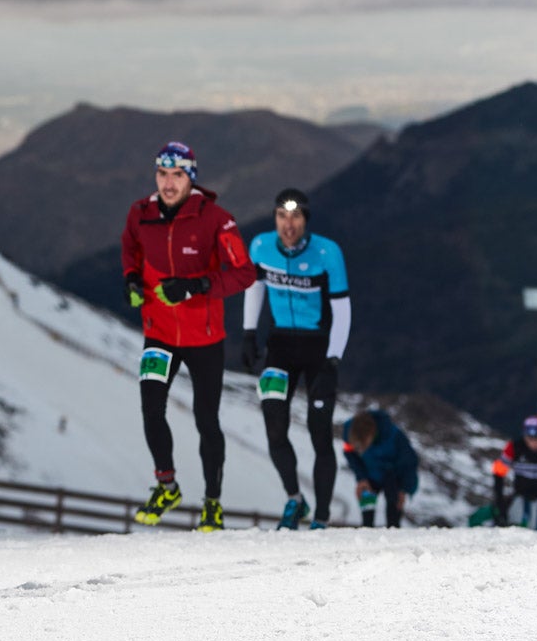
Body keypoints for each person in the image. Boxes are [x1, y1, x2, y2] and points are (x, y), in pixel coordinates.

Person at [121, 141, 256, 531]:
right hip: (159, 333)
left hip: (204, 338)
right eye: (162, 174)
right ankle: (167, 485)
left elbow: (243, 273)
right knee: (151, 408)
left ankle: (212, 503)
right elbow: (130, 248)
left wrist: (195, 285)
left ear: (190, 177)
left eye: (177, 175)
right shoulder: (140, 214)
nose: (168, 182)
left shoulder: (216, 219)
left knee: (206, 420)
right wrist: (131, 278)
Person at [241, 189, 351, 530]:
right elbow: (254, 287)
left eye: (296, 217)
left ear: (306, 219)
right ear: (274, 218)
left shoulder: (327, 252)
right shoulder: (260, 247)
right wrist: (248, 333)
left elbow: (343, 310)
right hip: (280, 347)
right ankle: (295, 500)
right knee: (274, 426)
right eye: (281, 216)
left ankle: (321, 517)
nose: (288, 225)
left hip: (318, 349)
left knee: (320, 433)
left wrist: (333, 360)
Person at [341, 409, 419, 527]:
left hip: (393, 475)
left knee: (393, 506)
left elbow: (410, 464)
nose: (361, 450)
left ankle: (394, 531)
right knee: (366, 497)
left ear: (372, 434)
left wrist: (404, 489)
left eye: (364, 445)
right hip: (369, 473)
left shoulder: (395, 436)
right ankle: (367, 530)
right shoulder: (349, 432)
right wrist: (361, 478)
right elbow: (350, 454)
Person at [491, 415, 537, 528]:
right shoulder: (514, 448)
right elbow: (498, 472)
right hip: (521, 495)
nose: (533, 442)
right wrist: (499, 500)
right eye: (529, 437)